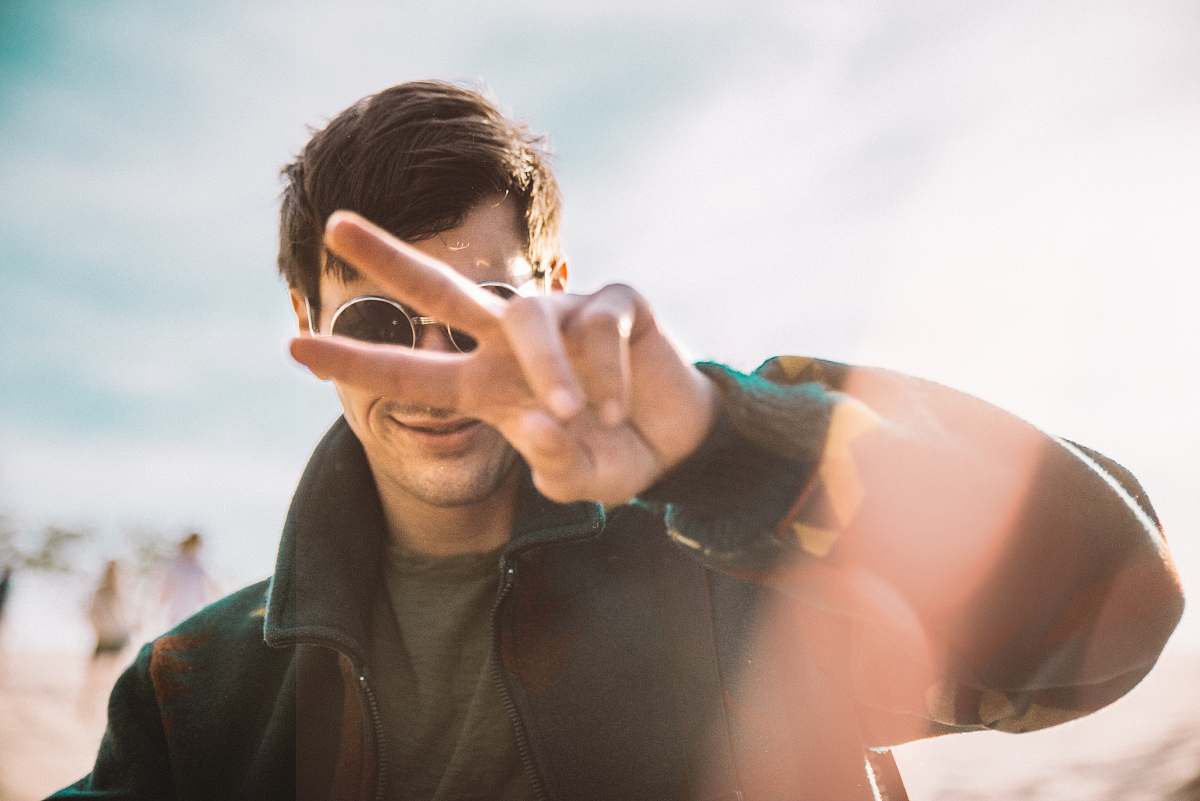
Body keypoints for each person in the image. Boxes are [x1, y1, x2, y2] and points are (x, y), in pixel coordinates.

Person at [53, 81, 1184, 801]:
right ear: (305, 322)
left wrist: (719, 444)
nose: (444, 372)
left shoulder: (730, 566)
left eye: (483, 313)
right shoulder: (195, 690)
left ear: (552, 289)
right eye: (382, 323)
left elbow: (1107, 613)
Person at [78, 560, 132, 720]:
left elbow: (125, 618)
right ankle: (90, 706)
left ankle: (100, 708)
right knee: (96, 676)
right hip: (107, 638)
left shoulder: (120, 594)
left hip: (114, 639)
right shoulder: (104, 593)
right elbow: (92, 615)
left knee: (107, 676)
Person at [158, 531, 219, 629]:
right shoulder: (178, 562)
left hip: (193, 608)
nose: (197, 549)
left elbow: (204, 588)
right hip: (178, 607)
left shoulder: (197, 565)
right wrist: (161, 602)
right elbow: (168, 585)